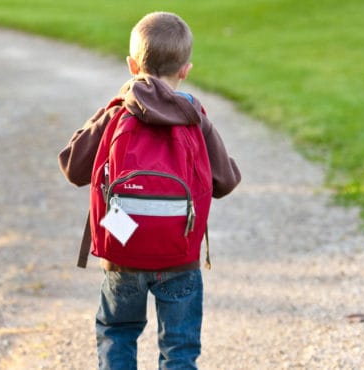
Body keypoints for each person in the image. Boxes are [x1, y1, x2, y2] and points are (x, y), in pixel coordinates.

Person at [58, 11, 241, 369]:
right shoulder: (194, 116)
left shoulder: (117, 112)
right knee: (179, 349)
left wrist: (107, 112)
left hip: (122, 249)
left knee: (118, 334)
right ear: (186, 69)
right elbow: (226, 181)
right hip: (179, 255)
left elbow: (72, 166)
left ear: (131, 65)